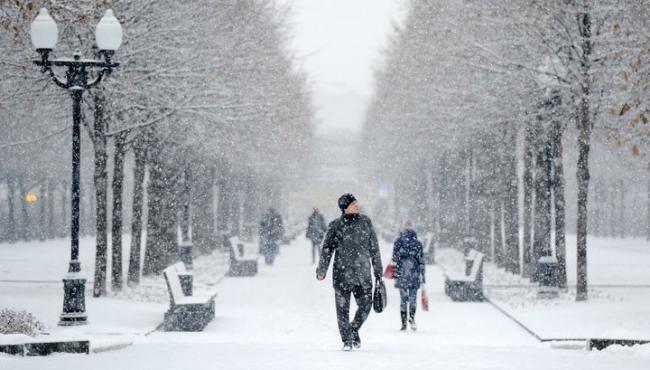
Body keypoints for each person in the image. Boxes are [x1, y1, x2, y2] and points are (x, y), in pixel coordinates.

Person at [316, 193, 383, 351]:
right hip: (342, 275)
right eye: (353, 204)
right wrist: (322, 269)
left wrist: (378, 270)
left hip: (363, 275)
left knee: (366, 306)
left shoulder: (365, 222)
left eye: (356, 203)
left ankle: (353, 329)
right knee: (342, 311)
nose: (356, 205)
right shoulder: (335, 226)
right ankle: (346, 340)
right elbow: (327, 249)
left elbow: (374, 247)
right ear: (345, 207)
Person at [390, 221, 425, 331]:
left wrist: (401, 255)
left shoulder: (398, 242)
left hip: (402, 274)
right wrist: (423, 276)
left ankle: (404, 323)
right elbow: (421, 261)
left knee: (403, 299)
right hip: (414, 273)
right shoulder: (418, 243)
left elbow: (394, 258)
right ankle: (412, 319)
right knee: (412, 298)